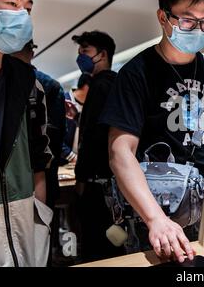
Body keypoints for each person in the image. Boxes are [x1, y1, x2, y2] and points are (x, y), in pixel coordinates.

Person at [100, 0, 204, 263]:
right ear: (163, 17)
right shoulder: (136, 73)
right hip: (154, 214)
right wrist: (155, 219)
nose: (198, 29)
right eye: (187, 20)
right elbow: (120, 152)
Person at [0, 0, 52, 267]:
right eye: (12, 4)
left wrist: (38, 220)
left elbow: (38, 162)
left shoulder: (29, 83)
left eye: (27, 9)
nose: (22, 16)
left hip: (23, 226)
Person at [72, 31, 123, 262]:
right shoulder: (114, 84)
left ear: (102, 55)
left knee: (95, 248)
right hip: (109, 183)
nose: (80, 56)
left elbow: (91, 139)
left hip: (96, 184)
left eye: (85, 51)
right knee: (110, 244)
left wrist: (81, 180)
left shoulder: (101, 87)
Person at [12, 40, 66, 209]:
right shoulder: (47, 84)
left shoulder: (44, 86)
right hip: (38, 175)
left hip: (32, 176)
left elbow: (52, 139)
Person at [60, 73, 92, 166]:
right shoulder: (62, 101)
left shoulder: (92, 106)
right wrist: (72, 157)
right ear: (87, 87)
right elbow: (54, 136)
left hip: (82, 164)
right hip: (62, 163)